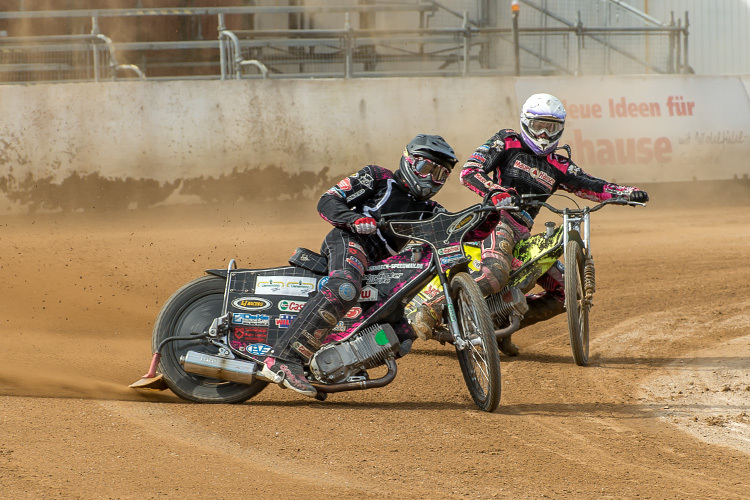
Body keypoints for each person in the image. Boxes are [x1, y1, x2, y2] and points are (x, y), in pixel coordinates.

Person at [413, 93, 649, 356]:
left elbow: (594, 186)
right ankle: (432, 308)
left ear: (561, 128)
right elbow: (470, 171)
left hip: (522, 233)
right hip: (495, 220)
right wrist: (496, 192)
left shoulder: (560, 164)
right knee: (495, 274)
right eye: (539, 126)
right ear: (526, 123)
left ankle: (499, 325)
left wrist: (626, 193)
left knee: (565, 293)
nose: (545, 135)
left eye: (552, 128)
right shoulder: (507, 140)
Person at [256, 134, 470, 397]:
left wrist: (496, 210)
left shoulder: (430, 210)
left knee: (401, 334)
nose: (430, 178)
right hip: (349, 240)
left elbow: (465, 230)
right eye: (426, 167)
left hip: (378, 264)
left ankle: (339, 364)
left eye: (440, 174)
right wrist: (354, 219)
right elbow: (328, 200)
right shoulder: (378, 176)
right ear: (408, 161)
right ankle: (282, 359)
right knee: (345, 287)